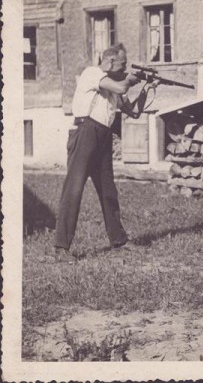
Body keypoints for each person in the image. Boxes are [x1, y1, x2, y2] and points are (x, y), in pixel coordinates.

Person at [53, 43, 156, 262]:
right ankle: (61, 248)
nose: (124, 68)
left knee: (108, 190)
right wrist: (130, 79)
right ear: (109, 62)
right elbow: (120, 88)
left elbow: (134, 112)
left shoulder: (115, 84)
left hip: (103, 135)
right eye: (122, 65)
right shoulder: (93, 73)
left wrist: (147, 87)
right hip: (85, 131)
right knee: (74, 189)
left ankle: (118, 240)